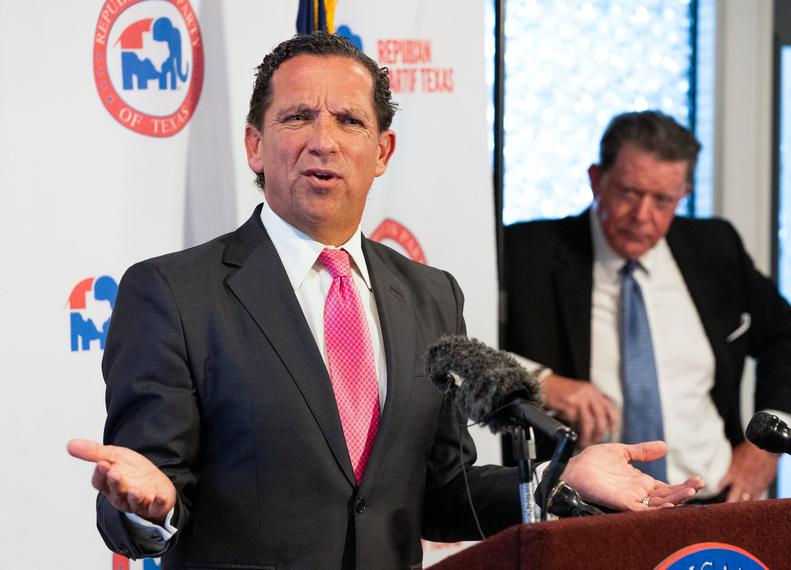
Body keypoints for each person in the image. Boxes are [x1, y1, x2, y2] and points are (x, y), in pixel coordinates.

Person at [67, 36, 702, 567]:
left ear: (382, 152)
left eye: (349, 121)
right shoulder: (174, 293)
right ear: (255, 145)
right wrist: (149, 507)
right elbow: (140, 491)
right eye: (297, 118)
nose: (324, 140)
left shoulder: (430, 295)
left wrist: (555, 482)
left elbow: (445, 494)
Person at [504, 110, 791, 504]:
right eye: (629, 193)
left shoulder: (715, 248)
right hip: (589, 506)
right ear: (597, 180)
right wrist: (542, 380)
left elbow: (786, 335)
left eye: (663, 199)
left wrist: (766, 446)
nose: (642, 215)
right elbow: (461, 349)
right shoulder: (528, 253)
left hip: (712, 499)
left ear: (683, 194)